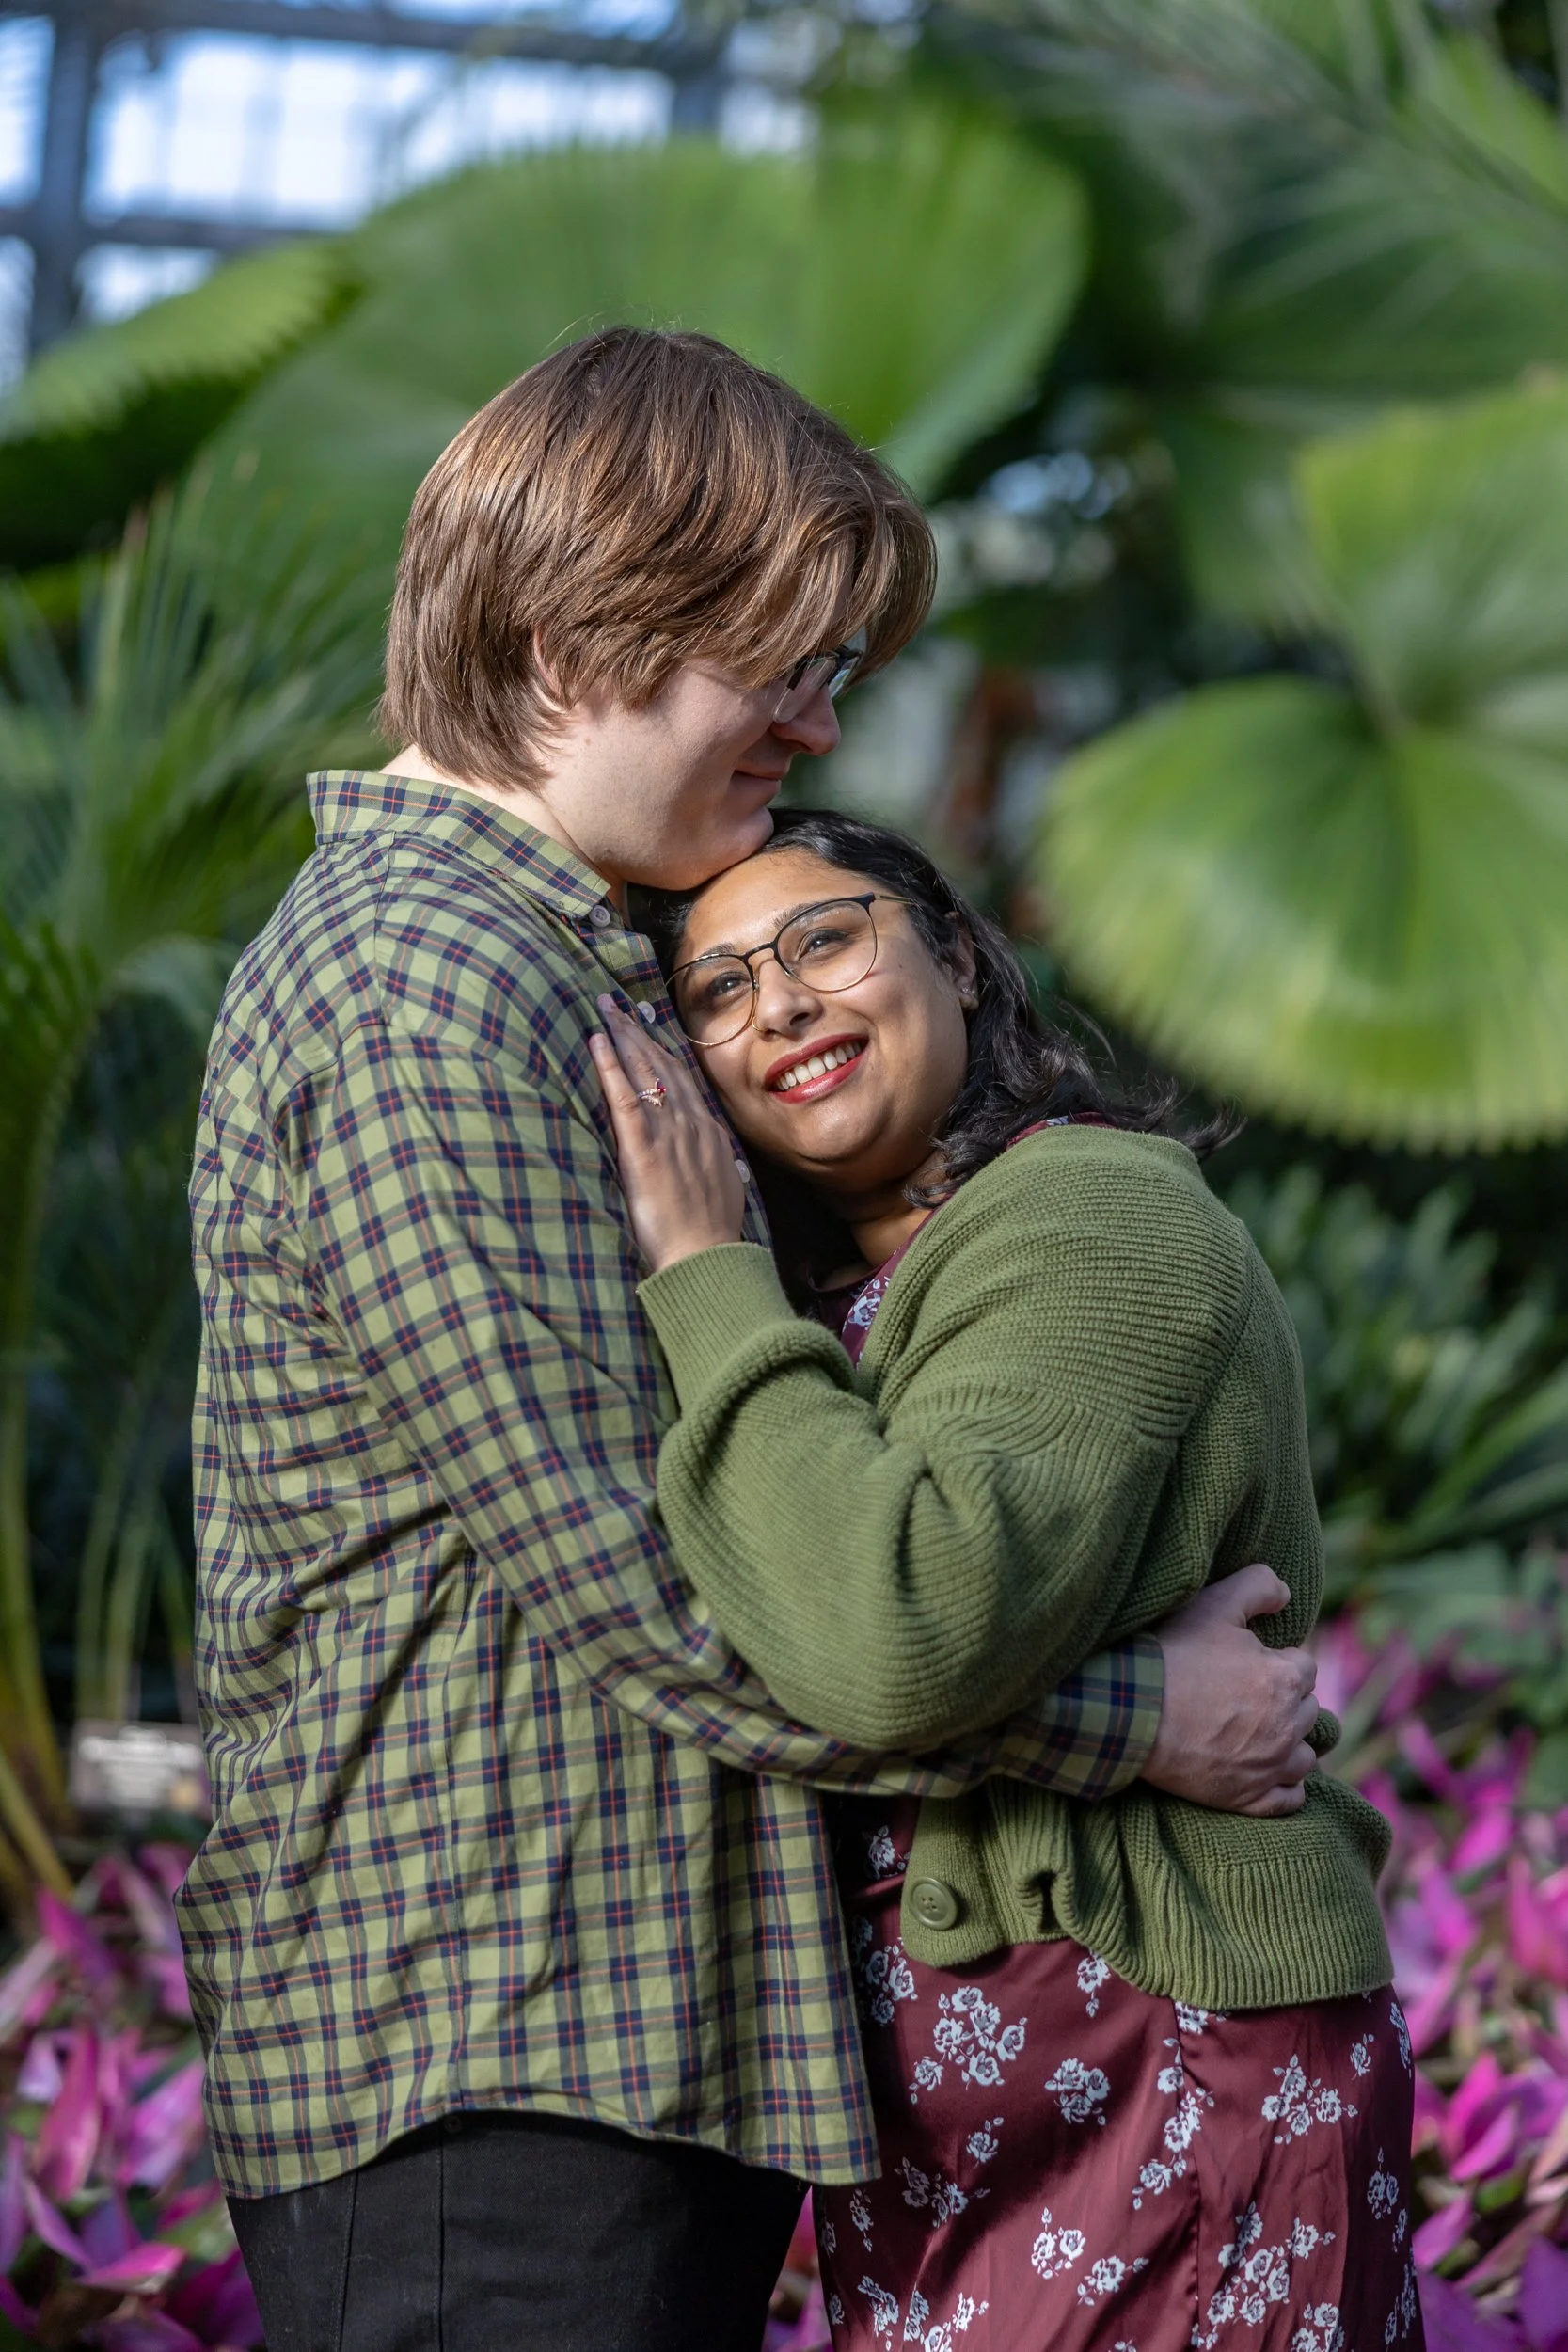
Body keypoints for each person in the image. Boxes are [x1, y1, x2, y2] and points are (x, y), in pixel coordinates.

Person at [181, 327, 1325, 2352]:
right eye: (773, 663)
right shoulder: (420, 984)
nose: (810, 722)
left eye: (830, 668)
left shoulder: (565, 959)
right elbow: (650, 1587)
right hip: (491, 2056)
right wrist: (1131, 1723)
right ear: (566, 647)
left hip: (590, 2041)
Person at [591, 803, 1419, 2352]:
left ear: (959, 960)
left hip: (1166, 2046)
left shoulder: (1088, 1212)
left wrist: (699, 1271)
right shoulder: (853, 1294)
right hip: (968, 2128)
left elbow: (895, 1623)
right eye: (714, 990)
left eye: (823, 937)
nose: (776, 1003)